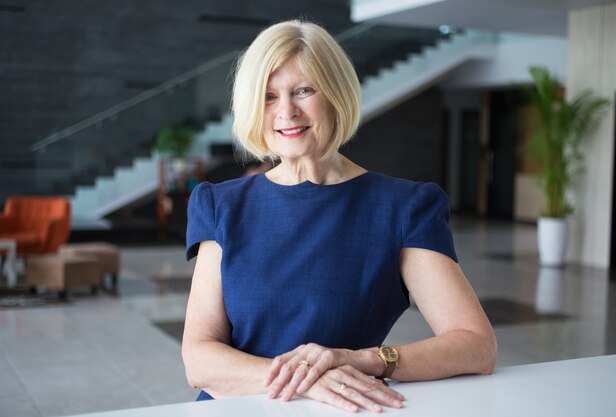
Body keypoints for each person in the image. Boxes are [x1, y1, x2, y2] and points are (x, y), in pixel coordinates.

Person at [182, 19, 497, 413]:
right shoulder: (220, 205)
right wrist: (307, 381)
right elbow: (198, 359)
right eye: (268, 96)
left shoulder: (405, 207)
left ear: (335, 94)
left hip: (340, 409)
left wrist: (360, 360)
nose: (286, 111)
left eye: (303, 90)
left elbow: (476, 345)